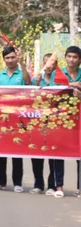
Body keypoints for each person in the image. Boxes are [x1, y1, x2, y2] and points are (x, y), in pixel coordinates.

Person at [38, 47, 81, 197]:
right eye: (69, 56)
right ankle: (59, 186)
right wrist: (72, 86)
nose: (71, 60)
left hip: (78, 119)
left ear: (79, 60)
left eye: (75, 57)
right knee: (59, 152)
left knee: (79, 153)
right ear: (65, 58)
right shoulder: (58, 73)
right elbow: (52, 93)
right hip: (61, 119)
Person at [0, 45, 31, 192]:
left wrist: (23, 65)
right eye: (7, 58)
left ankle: (17, 182)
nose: (10, 60)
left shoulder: (22, 74)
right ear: (4, 59)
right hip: (0, 118)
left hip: (17, 118)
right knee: (0, 151)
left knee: (16, 150)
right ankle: (0, 181)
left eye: (13, 57)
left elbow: (28, 83)